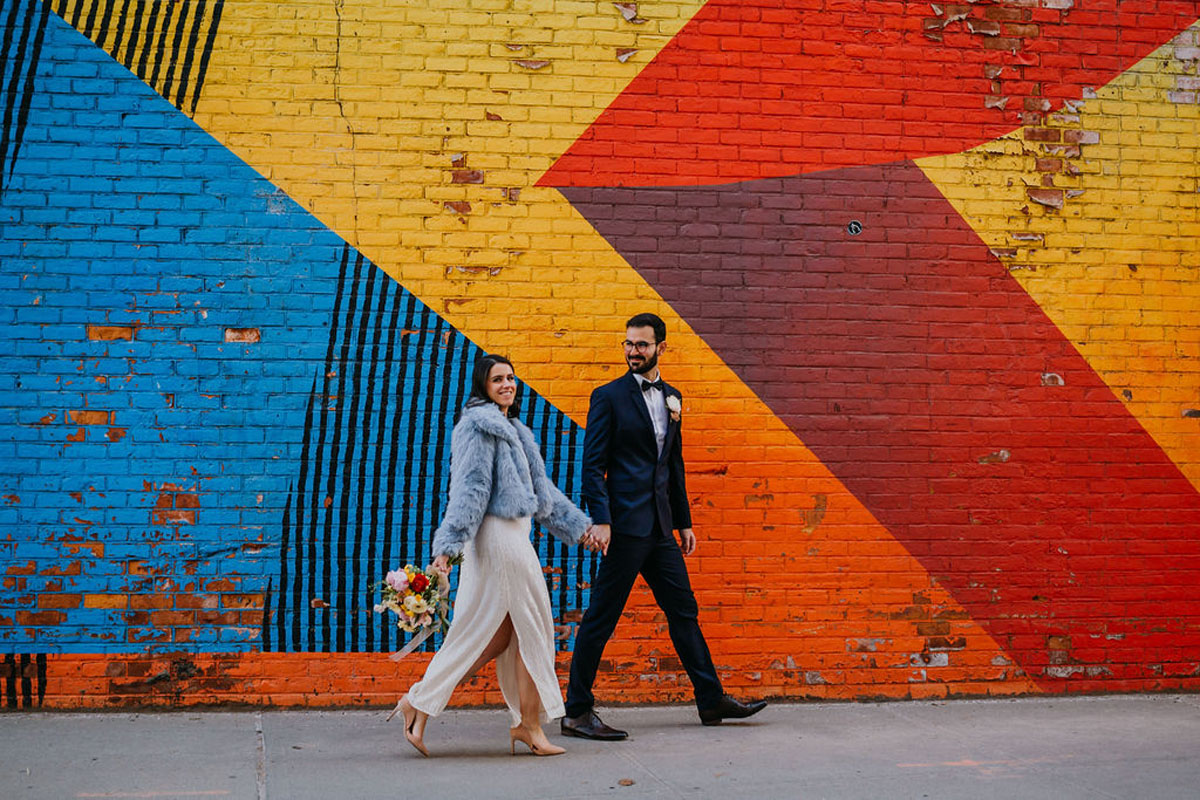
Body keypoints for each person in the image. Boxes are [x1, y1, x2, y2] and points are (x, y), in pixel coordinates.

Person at [562, 312, 767, 739]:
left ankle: (710, 700)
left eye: (641, 345)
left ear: (661, 348)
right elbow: (592, 465)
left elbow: (673, 463)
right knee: (601, 618)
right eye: (628, 344)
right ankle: (577, 712)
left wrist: (684, 521)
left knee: (683, 612)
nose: (632, 352)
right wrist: (601, 519)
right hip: (623, 528)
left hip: (660, 529)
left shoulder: (672, 397)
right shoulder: (608, 396)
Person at [388, 354, 594, 757]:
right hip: (498, 538)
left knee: (505, 634)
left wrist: (580, 528)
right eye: (497, 379)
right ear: (483, 386)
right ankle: (523, 725)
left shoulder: (514, 429)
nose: (507, 385)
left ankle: (435, 706)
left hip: (516, 534)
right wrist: (446, 550)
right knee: (533, 629)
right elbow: (469, 490)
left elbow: (543, 493)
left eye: (511, 378)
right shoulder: (478, 427)